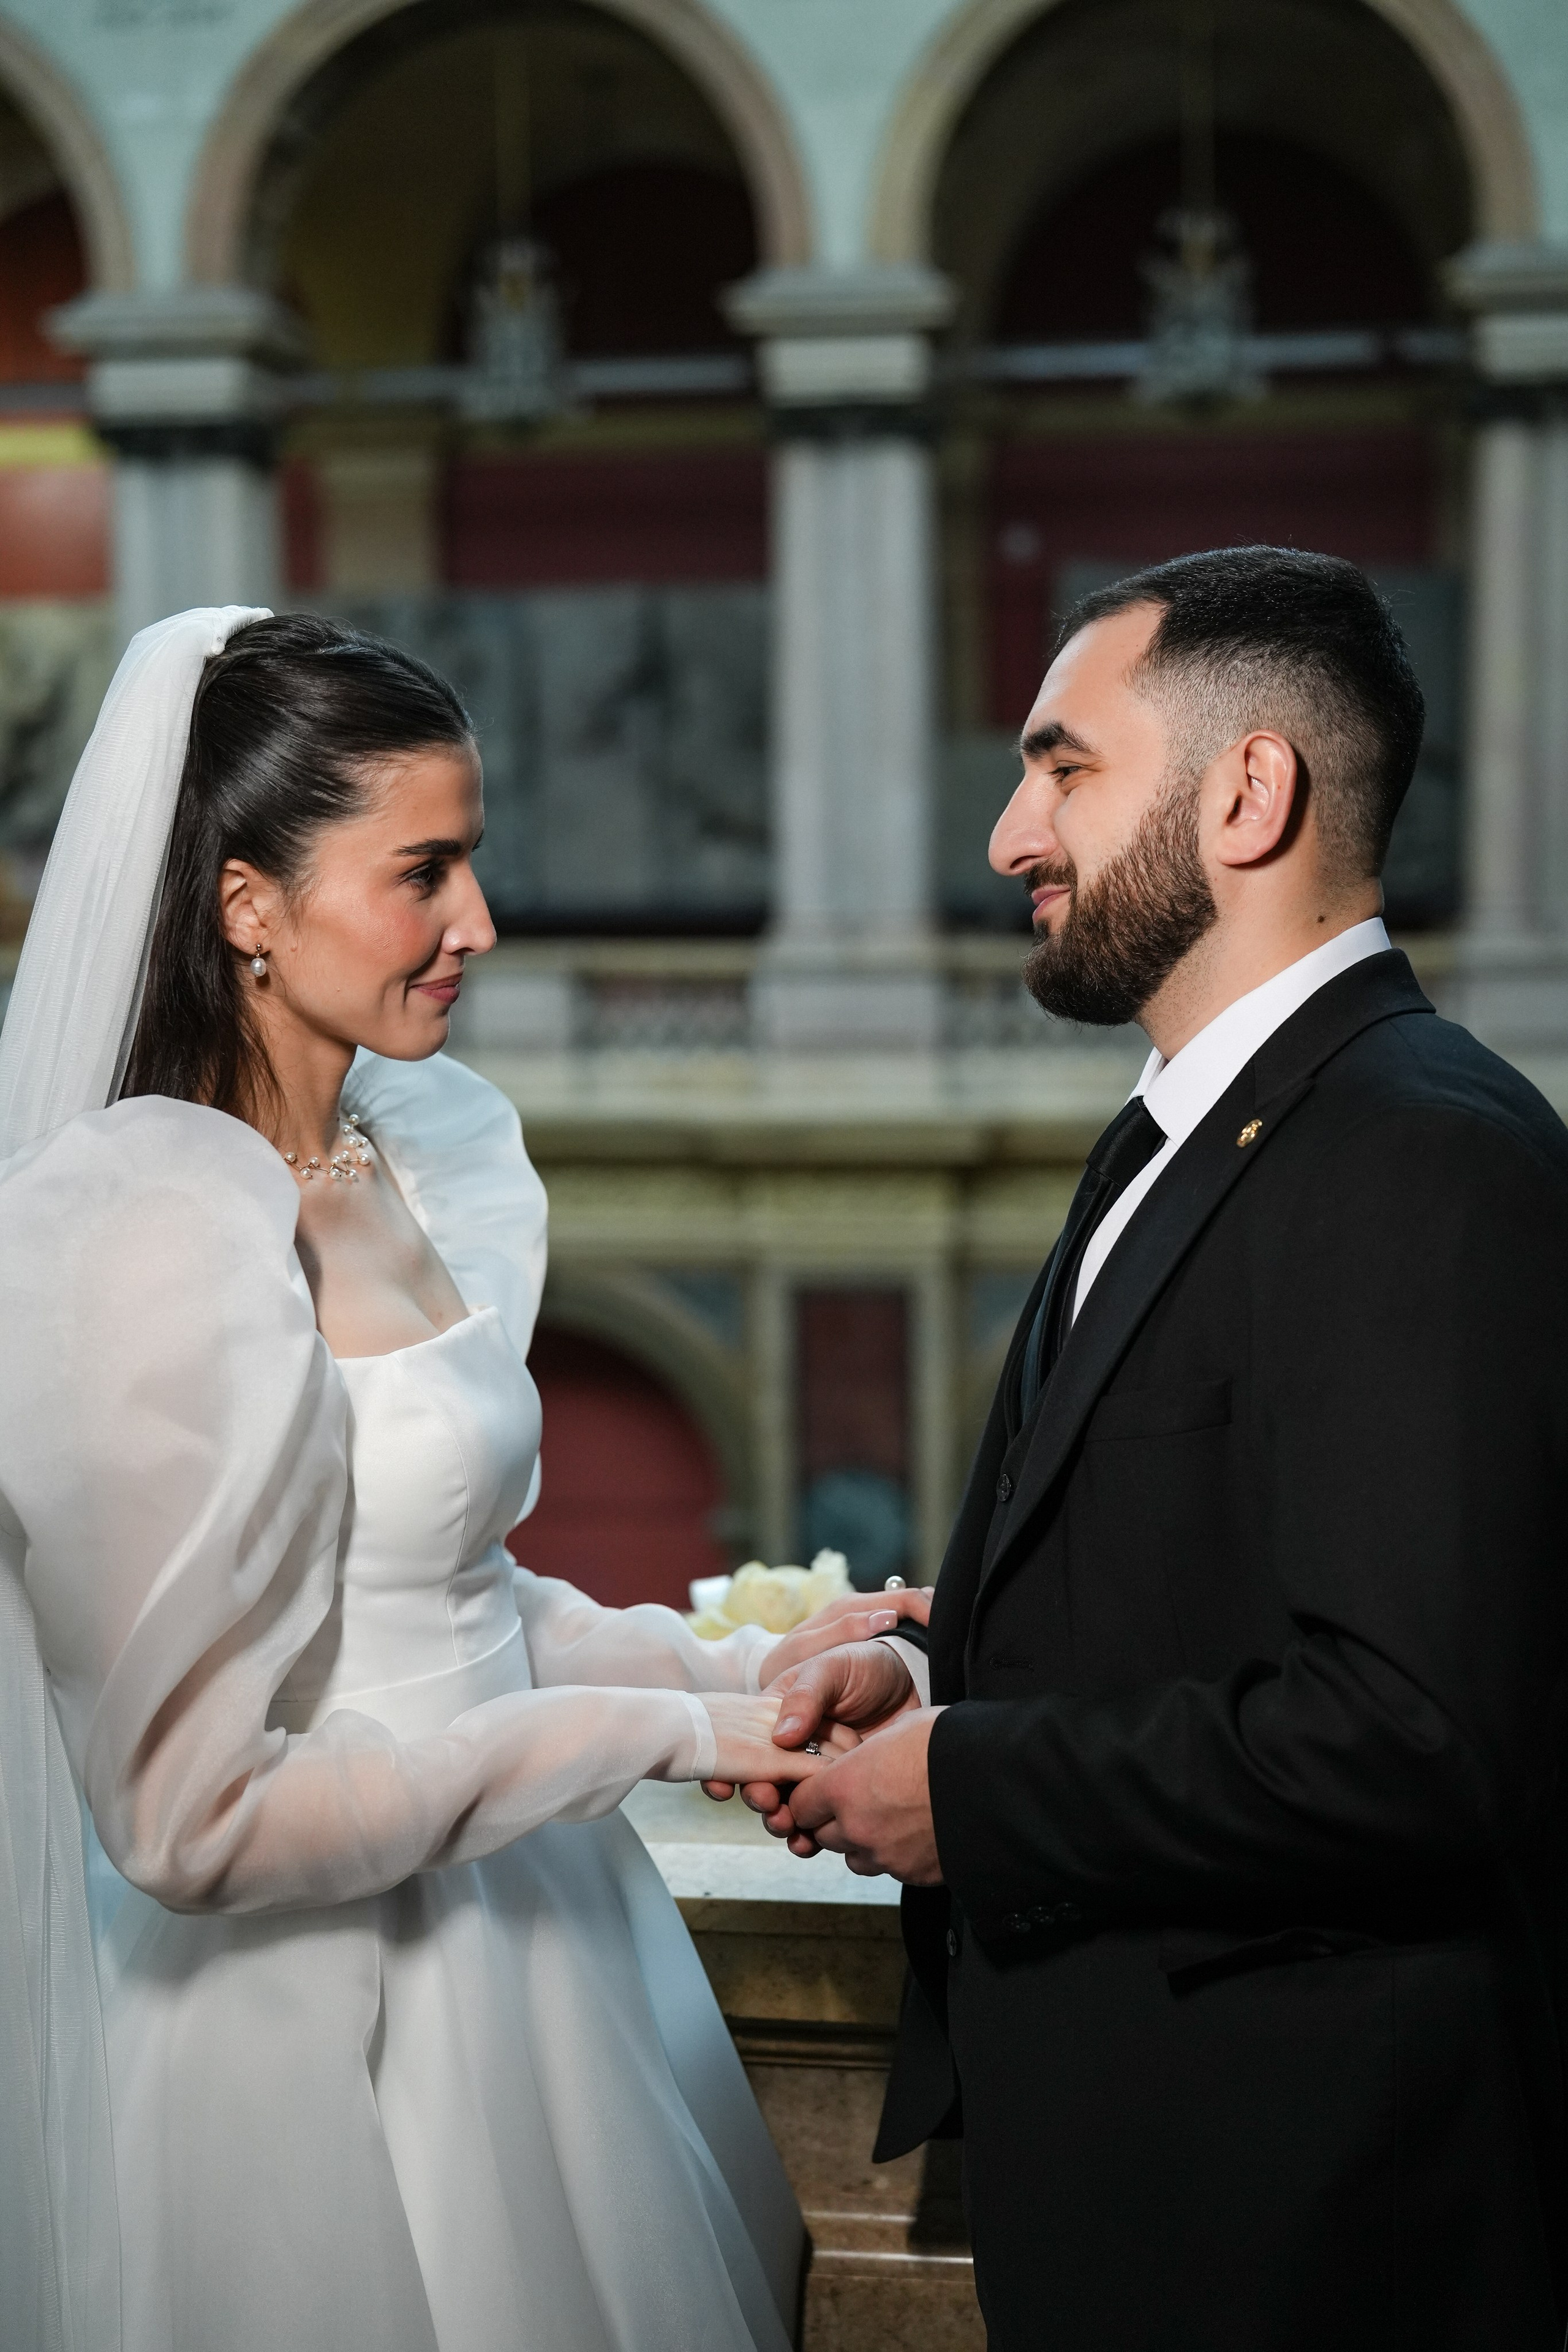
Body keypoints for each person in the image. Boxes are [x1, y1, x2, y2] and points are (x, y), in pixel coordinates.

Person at [0, 608, 930, 2352]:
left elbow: (444, 1596)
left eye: (472, 862)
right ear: (246, 904)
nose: (479, 923)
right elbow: (187, 1825)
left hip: (529, 1942)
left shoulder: (407, 1154)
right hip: (303, 2039)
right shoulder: (140, 1238)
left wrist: (748, 1671)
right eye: (422, 873)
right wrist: (659, 1736)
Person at [739, 548, 1568, 2348]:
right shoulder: (1197, 1129)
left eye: (1065, 769)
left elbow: (1418, 1737)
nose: (1009, 839)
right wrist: (936, 1666)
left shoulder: (1423, 1155)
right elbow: (1239, 1583)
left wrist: (970, 1787)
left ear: (1249, 793)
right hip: (1155, 2186)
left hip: (1313, 2229)